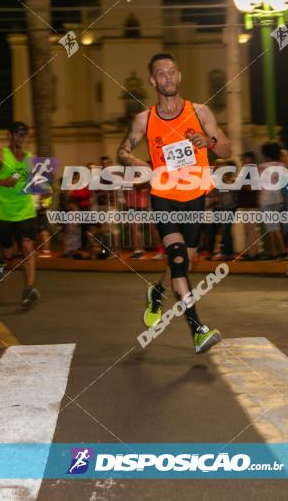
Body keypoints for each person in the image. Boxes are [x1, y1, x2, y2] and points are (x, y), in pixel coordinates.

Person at [117, 53, 229, 354]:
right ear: (153, 81)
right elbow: (122, 151)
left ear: (179, 76)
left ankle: (157, 290)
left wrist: (211, 143)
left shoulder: (200, 112)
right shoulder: (145, 119)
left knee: (185, 263)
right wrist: (137, 160)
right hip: (163, 196)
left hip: (195, 196)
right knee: (178, 258)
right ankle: (197, 329)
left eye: (172, 72)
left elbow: (227, 148)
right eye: (161, 73)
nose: (167, 77)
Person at [0, 121, 40, 306]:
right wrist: (2, 182)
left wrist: (43, 188)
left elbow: (35, 184)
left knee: (27, 246)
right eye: (19, 134)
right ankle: (1, 261)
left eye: (25, 134)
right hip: (4, 212)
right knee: (8, 251)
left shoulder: (31, 158)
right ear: (10, 135)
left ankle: (29, 289)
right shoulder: (0, 154)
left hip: (26, 211)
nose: (22, 138)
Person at [258, 141, 288, 259]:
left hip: (266, 198)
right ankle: (281, 250)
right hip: (278, 197)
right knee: (276, 225)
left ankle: (275, 251)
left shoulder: (262, 166)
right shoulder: (282, 166)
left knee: (270, 227)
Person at [235, 151, 261, 260]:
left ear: (249, 159)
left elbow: (254, 187)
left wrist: (238, 185)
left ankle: (252, 253)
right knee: (249, 229)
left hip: (250, 203)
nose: (242, 161)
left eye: (243, 158)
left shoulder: (251, 170)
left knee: (251, 229)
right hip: (247, 203)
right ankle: (250, 251)